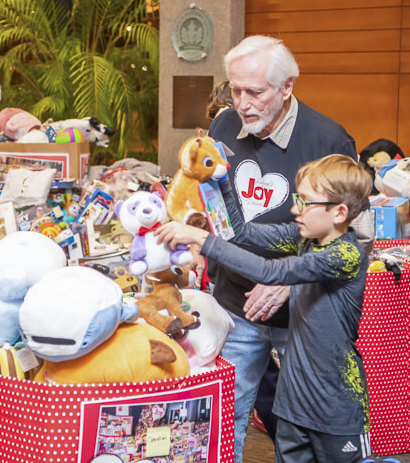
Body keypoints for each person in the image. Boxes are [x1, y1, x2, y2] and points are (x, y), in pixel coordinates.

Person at [157, 154, 373, 462]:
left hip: (336, 407)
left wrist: (200, 238)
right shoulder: (304, 237)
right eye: (298, 198)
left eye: (306, 202)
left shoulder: (346, 256)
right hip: (292, 404)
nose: (295, 209)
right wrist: (223, 184)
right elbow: (240, 233)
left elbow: (272, 273)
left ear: (339, 212)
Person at [205, 34, 359, 461]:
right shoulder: (223, 126)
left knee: (302, 424)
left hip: (303, 312)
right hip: (236, 300)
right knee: (226, 415)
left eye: (255, 92)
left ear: (287, 86)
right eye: (236, 89)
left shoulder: (328, 140)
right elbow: (222, 210)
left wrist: (287, 284)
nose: (242, 103)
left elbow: (352, 236)